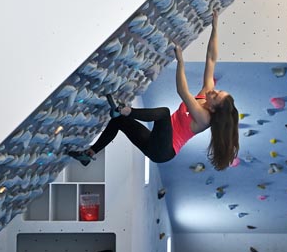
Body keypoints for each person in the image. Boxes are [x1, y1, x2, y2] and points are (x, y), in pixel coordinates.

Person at [68, 9, 239, 170]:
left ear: (214, 108)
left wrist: (180, 62)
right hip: (155, 141)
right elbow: (211, 59)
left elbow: (182, 91)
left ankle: (125, 110)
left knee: (164, 113)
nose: (213, 91)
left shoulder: (204, 118)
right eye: (217, 91)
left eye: (215, 96)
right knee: (117, 122)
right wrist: (215, 28)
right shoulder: (206, 95)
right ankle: (89, 154)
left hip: (164, 151)